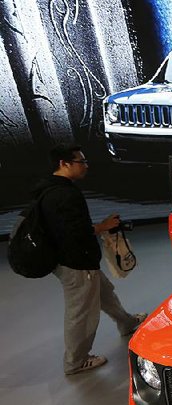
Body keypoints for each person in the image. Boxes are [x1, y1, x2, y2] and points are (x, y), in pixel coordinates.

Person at [37, 144, 147, 375]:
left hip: (78, 261)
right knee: (81, 312)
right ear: (64, 164)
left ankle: (126, 322)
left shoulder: (51, 187)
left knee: (105, 293)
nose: (85, 166)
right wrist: (103, 226)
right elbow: (72, 232)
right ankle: (75, 361)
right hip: (75, 262)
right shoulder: (63, 194)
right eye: (81, 161)